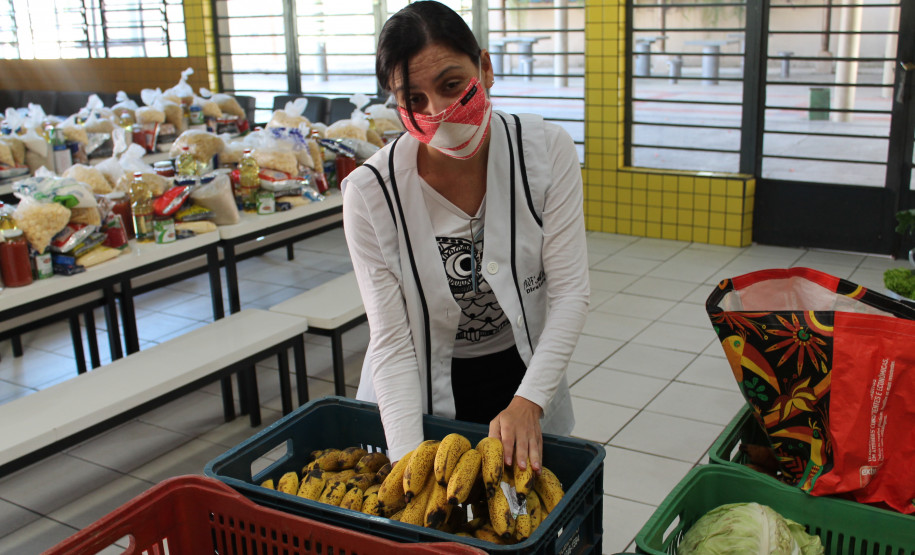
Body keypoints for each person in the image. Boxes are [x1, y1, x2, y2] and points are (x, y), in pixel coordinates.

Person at [341, 0, 589, 473]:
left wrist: (530, 401)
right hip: (416, 383)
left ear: (485, 67)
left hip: (521, 370)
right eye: (414, 100)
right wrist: (408, 465)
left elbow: (571, 292)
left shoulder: (543, 152)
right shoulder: (371, 192)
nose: (438, 111)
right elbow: (391, 340)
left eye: (452, 85)